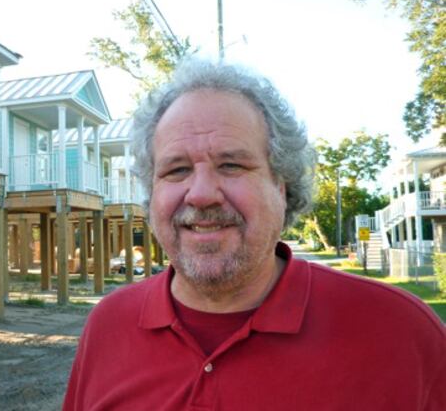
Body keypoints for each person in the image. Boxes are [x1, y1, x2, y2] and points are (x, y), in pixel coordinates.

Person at [63, 59, 445, 410]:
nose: (200, 193)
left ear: (281, 186)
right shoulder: (107, 325)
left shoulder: (400, 333)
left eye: (231, 164)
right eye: (176, 170)